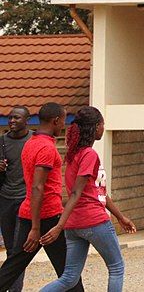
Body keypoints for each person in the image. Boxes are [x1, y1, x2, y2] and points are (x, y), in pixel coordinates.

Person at [39, 106, 136, 291]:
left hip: (74, 226)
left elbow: (98, 191)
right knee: (116, 267)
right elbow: (75, 193)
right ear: (95, 127)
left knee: (69, 278)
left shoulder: (73, 154)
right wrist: (58, 226)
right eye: (102, 124)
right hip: (93, 220)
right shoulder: (89, 154)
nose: (104, 128)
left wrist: (120, 217)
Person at [0, 103, 84, 291]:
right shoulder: (46, 148)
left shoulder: (31, 143)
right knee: (68, 271)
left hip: (30, 213)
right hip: (46, 218)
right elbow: (38, 187)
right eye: (63, 120)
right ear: (56, 120)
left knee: (13, 266)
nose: (63, 124)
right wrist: (36, 228)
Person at [0, 106, 32, 292]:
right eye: (10, 118)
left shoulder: (33, 140)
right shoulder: (2, 141)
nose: (12, 121)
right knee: (11, 249)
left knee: (19, 250)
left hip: (25, 200)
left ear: (27, 120)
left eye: (17, 118)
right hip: (5, 199)